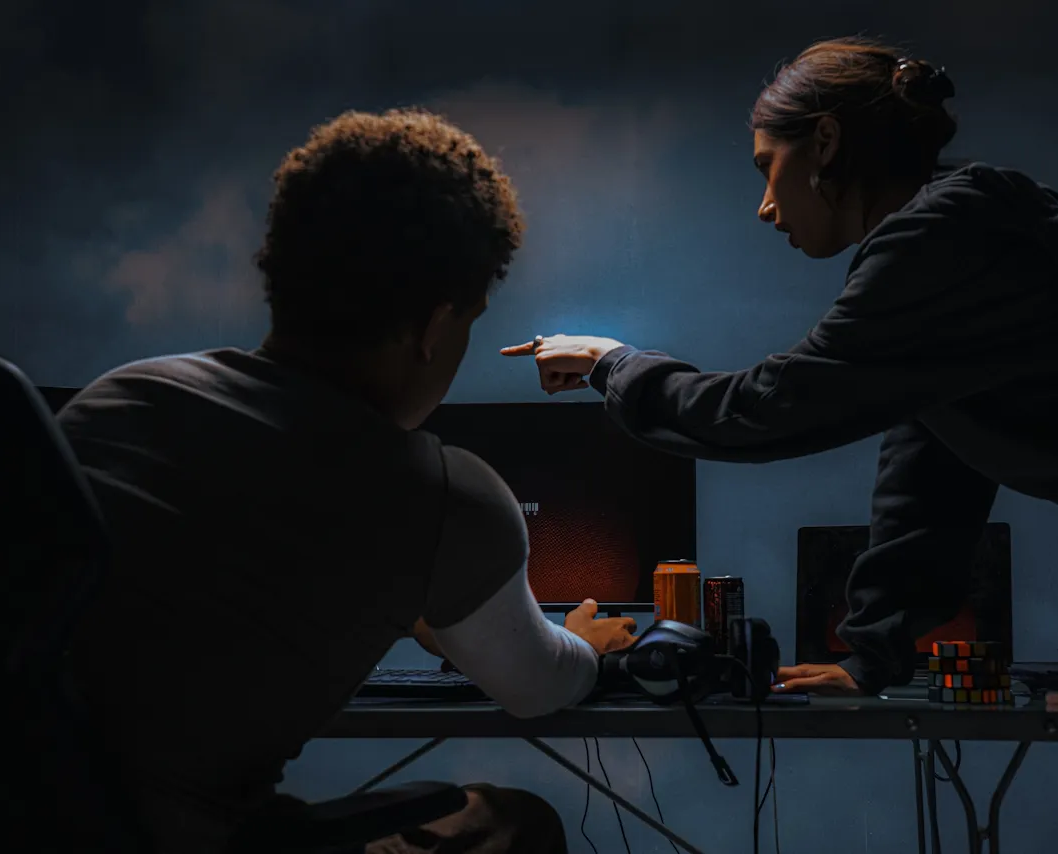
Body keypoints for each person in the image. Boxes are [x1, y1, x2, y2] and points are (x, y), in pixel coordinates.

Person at [502, 36, 1058, 697]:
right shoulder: (951, 249)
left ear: (824, 141)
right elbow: (931, 470)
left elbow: (766, 409)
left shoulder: (934, 243)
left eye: (769, 167)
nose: (765, 206)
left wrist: (613, 363)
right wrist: (872, 656)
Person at [58, 108, 636, 854]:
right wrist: (581, 645)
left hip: (15, 819)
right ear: (434, 326)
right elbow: (538, 687)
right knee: (515, 824)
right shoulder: (442, 496)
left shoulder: (117, 400)